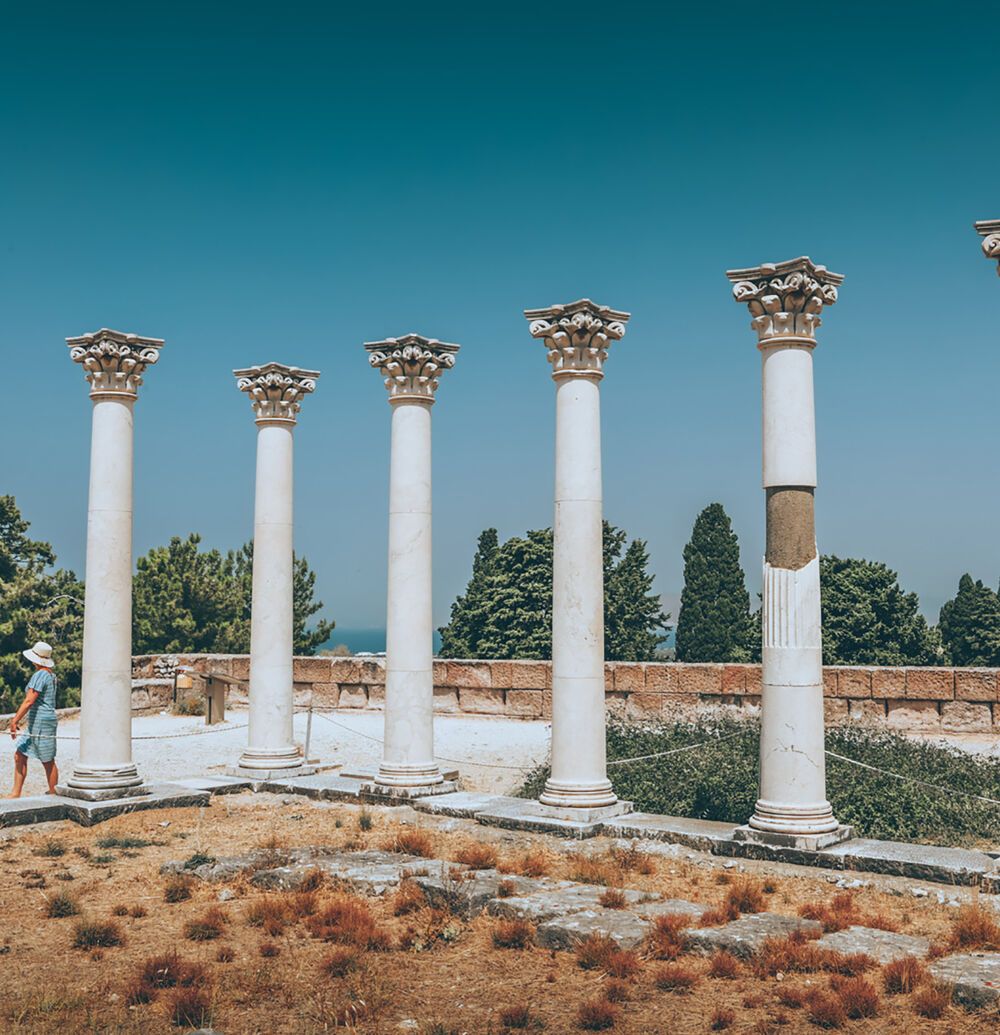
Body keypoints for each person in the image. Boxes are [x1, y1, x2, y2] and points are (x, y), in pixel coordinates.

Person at [6, 641, 59, 797]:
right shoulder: (50, 674)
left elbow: (30, 700)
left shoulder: (40, 674)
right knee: (20, 754)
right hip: (37, 721)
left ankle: (53, 792)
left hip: (42, 722)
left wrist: (15, 720)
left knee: (47, 760)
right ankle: (16, 793)